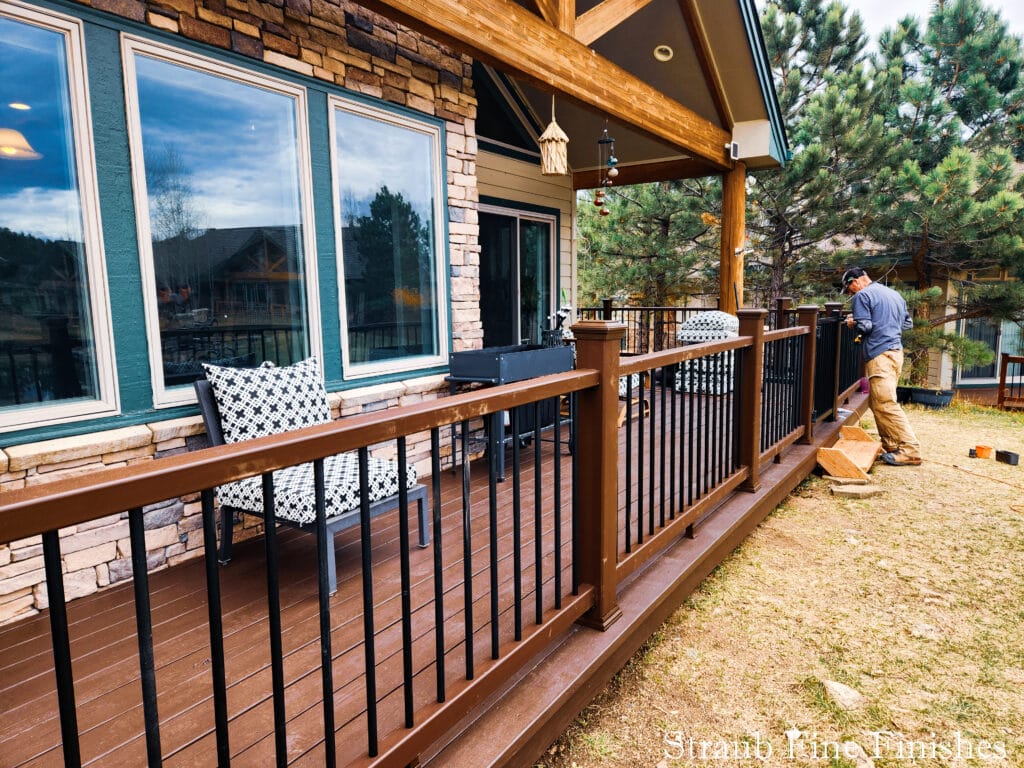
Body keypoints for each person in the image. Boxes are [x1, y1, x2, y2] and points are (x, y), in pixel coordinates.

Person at [842, 267, 922, 466]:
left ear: (855, 281)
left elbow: (865, 327)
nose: (851, 292)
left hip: (880, 354)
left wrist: (853, 323)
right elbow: (907, 324)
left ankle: (910, 450)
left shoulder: (863, 296)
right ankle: (892, 446)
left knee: (885, 403)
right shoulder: (894, 294)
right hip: (896, 353)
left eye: (849, 288)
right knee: (877, 402)